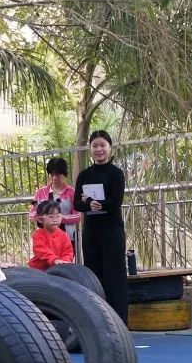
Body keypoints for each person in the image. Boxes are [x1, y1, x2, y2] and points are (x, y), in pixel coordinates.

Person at [74, 129, 128, 322]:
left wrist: (98, 204)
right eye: (95, 146)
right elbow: (76, 204)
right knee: (94, 274)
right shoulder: (84, 175)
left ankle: (120, 321)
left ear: (109, 148)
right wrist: (88, 204)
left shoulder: (116, 174)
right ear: (90, 149)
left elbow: (115, 202)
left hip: (112, 230)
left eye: (102, 145)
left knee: (115, 275)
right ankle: (99, 320)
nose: (99, 149)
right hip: (91, 231)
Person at [29, 157, 80, 244]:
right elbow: (32, 213)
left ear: (64, 175)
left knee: (65, 258)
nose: (54, 178)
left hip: (67, 237)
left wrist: (59, 218)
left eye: (58, 175)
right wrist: (43, 218)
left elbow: (77, 216)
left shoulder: (72, 192)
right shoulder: (41, 192)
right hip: (45, 238)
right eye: (52, 175)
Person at [27, 200, 74, 271]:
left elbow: (68, 252)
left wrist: (64, 262)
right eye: (51, 216)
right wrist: (54, 260)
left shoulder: (64, 235)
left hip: (59, 268)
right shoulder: (38, 234)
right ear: (40, 219)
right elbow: (41, 250)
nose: (55, 220)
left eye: (58, 216)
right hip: (40, 270)